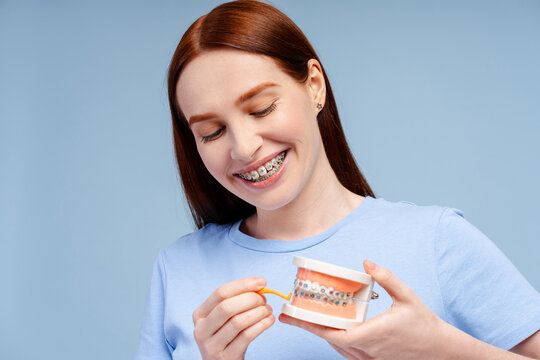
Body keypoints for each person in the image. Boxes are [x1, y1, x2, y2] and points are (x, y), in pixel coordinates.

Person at [134, 1, 540, 359]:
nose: (243, 147)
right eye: (212, 132)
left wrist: (443, 351)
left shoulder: (436, 240)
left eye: (261, 108)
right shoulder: (178, 268)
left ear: (314, 86)